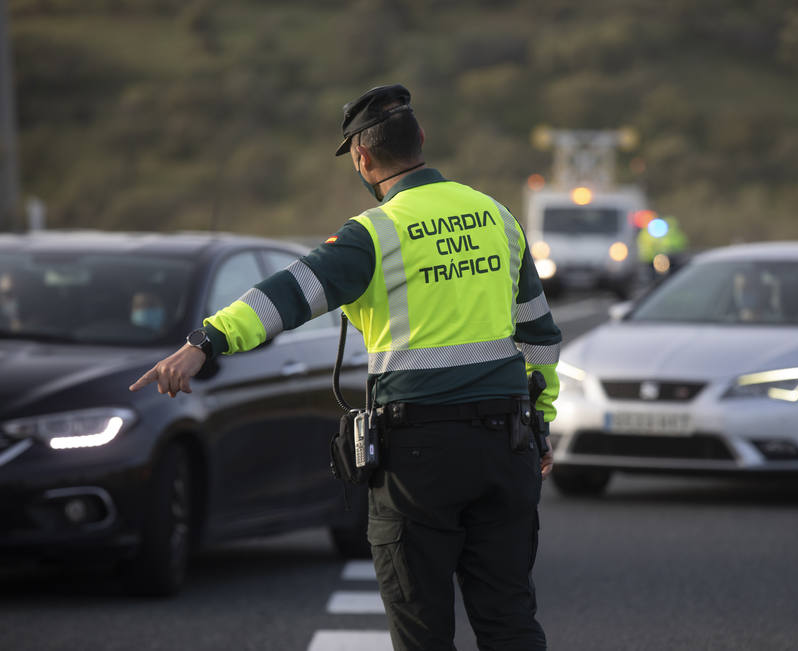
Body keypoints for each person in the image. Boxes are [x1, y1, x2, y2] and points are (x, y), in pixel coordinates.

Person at [129, 84, 561, 651]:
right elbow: (540, 336)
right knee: (509, 621)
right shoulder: (496, 216)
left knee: (422, 629)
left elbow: (285, 295)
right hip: (507, 446)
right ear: (422, 141)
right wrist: (541, 423)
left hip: (420, 458)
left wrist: (204, 341)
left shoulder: (374, 235)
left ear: (361, 159)